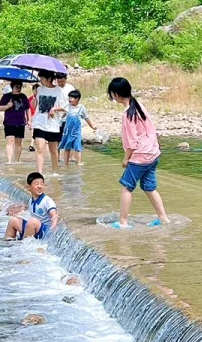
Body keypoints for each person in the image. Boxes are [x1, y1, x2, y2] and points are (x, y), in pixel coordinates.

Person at [107, 76, 169, 228]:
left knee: (126, 187)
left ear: (116, 94)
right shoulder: (139, 105)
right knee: (149, 187)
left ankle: (123, 222)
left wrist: (126, 159)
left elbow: (131, 142)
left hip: (140, 156)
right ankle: (163, 218)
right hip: (153, 153)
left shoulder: (127, 115)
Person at [5, 171, 59, 240]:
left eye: (42, 184)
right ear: (29, 187)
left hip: (44, 232)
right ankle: (7, 244)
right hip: (33, 228)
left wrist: (53, 230)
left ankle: (23, 245)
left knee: (33, 221)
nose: (40, 186)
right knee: (13, 220)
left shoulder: (47, 201)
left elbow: (54, 215)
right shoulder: (31, 201)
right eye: (36, 184)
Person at [33, 72, 65, 173]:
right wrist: (34, 96)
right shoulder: (39, 89)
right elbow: (34, 106)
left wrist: (54, 109)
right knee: (40, 148)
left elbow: (66, 106)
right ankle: (39, 173)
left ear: (49, 78)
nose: (40, 81)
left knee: (53, 150)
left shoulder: (59, 90)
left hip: (52, 124)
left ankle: (55, 171)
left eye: (42, 78)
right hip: (39, 122)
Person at [0, 79, 31, 163]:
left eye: (20, 87)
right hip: (9, 121)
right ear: (12, 87)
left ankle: (17, 160)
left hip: (20, 122)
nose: (18, 88)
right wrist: (7, 106)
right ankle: (9, 161)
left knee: (18, 143)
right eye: (17, 87)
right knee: (10, 141)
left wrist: (29, 120)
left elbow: (28, 109)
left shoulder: (23, 96)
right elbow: (0, 108)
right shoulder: (6, 96)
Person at [60, 89, 95, 164]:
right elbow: (64, 112)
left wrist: (92, 126)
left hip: (76, 132)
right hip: (67, 131)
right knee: (67, 147)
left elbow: (86, 118)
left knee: (77, 147)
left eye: (71, 98)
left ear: (77, 99)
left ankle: (79, 163)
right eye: (69, 98)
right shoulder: (68, 106)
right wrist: (63, 114)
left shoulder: (81, 108)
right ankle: (66, 164)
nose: (69, 99)